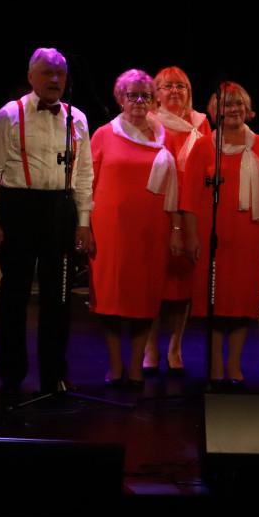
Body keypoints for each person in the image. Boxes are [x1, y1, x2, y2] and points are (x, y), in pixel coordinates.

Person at [0, 48, 95, 395]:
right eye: (47, 73)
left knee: (58, 297)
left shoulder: (78, 118)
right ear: (31, 77)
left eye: (60, 73)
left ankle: (54, 374)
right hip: (19, 208)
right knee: (14, 296)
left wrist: (84, 219)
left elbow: (85, 172)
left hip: (59, 208)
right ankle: (12, 377)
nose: (55, 80)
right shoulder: (8, 115)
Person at [181, 81, 259, 385]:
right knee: (213, 304)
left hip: (250, 235)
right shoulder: (203, 146)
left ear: (248, 110)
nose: (234, 109)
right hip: (212, 236)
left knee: (240, 305)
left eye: (239, 104)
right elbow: (188, 197)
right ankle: (214, 367)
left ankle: (234, 367)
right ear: (214, 113)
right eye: (227, 104)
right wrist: (191, 236)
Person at [88, 69, 182, 388]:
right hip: (110, 231)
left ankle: (137, 365)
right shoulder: (103, 134)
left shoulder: (164, 136)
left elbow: (174, 186)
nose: (139, 101)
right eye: (132, 95)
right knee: (111, 300)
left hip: (152, 231)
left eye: (145, 95)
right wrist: (83, 226)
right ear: (119, 98)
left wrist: (177, 228)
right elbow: (87, 184)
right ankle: (116, 364)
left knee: (144, 300)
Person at [142, 66, 211, 377]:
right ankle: (150, 346)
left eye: (181, 86)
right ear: (156, 93)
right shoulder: (147, 122)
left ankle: (175, 346)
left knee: (183, 283)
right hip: (157, 207)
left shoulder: (201, 124)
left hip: (192, 208)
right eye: (167, 86)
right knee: (156, 280)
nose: (174, 92)